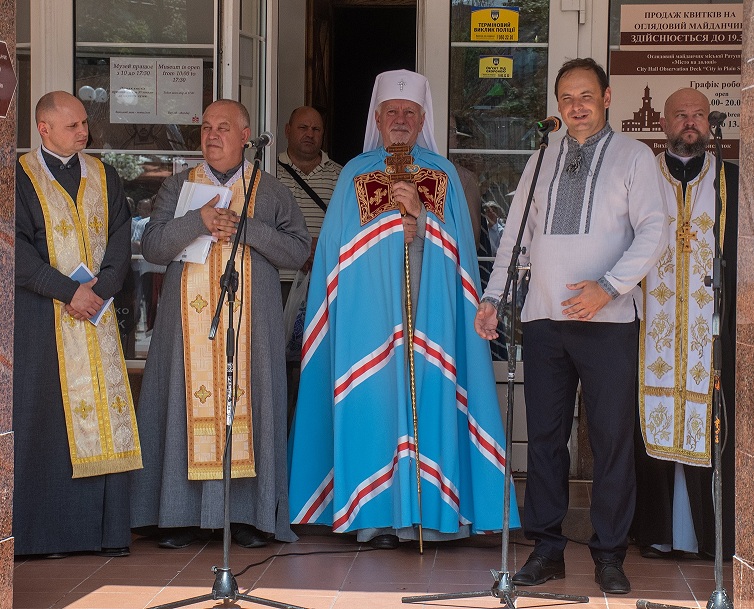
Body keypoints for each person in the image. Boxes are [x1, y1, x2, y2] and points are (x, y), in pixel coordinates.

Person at [288, 69, 519, 550]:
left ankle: (433, 516)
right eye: (391, 112)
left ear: (421, 119)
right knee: (373, 405)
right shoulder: (355, 171)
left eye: (409, 113)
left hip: (431, 319)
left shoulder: (442, 174)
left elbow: (460, 254)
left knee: (431, 402)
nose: (399, 119)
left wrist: (422, 219)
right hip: (368, 321)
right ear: (377, 117)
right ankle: (371, 516)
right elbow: (336, 254)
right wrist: (387, 236)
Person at [474, 58, 666, 594]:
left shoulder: (633, 156)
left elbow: (654, 230)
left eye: (585, 94)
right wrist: (493, 300)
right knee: (546, 439)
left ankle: (609, 553)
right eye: (566, 97)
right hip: (542, 321)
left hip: (608, 322)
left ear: (607, 97)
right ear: (557, 106)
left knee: (610, 440)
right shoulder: (541, 160)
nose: (575, 105)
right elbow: (513, 239)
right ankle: (547, 550)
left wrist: (609, 286)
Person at [129, 99, 310, 549]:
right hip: (187, 331)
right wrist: (197, 221)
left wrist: (247, 228)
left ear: (246, 136)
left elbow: (298, 251)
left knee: (252, 409)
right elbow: (152, 247)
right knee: (182, 407)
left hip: (252, 328)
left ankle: (249, 517)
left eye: (223, 128)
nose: (212, 136)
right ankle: (179, 516)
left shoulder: (269, 190)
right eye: (206, 127)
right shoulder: (177, 186)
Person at [14, 90, 142, 558]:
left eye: (85, 123)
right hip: (42, 321)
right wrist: (69, 292)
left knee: (101, 418)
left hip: (96, 318)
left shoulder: (103, 174)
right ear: (43, 128)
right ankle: (41, 537)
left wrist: (101, 290)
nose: (84, 132)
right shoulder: (17, 177)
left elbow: (120, 236)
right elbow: (15, 250)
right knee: (46, 421)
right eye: (73, 126)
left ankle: (103, 534)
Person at [633, 87, 738, 560]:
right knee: (647, 419)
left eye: (698, 115)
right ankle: (653, 532)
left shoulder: (730, 182)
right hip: (647, 328)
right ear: (663, 122)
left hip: (708, 332)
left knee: (708, 420)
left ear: (710, 122)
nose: (690, 122)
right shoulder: (640, 177)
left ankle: (706, 534)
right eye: (680, 115)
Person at [276, 106, 342, 424]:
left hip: (322, 282)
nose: (309, 134)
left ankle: (305, 433)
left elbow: (348, 226)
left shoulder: (341, 175)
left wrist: (322, 251)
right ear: (288, 130)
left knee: (314, 362)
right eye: (303, 127)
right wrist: (295, 250)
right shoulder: (267, 174)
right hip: (279, 280)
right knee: (277, 362)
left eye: (316, 129)